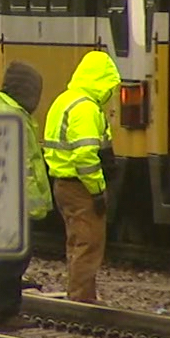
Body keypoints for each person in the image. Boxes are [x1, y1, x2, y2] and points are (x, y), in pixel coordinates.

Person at [0, 61, 51, 332]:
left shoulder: (5, 111)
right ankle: (5, 314)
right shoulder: (10, 116)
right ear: (24, 91)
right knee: (11, 260)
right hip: (9, 203)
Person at [42, 50, 121, 304]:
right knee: (89, 243)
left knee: (76, 240)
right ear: (101, 81)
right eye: (110, 86)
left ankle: (80, 293)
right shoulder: (85, 108)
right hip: (80, 186)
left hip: (62, 183)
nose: (111, 93)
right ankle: (82, 300)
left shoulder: (65, 100)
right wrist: (97, 190)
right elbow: (85, 156)